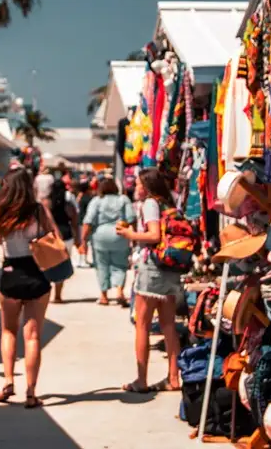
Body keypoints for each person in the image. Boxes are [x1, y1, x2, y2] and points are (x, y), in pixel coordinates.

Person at [0, 168, 56, 409]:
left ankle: (8, 380)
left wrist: (2, 234)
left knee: (8, 331)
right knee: (33, 336)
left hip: (10, 275)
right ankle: (32, 392)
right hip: (37, 274)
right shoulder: (38, 210)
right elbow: (53, 237)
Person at [116, 168, 182, 393]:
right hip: (171, 269)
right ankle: (173, 378)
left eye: (138, 184)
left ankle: (141, 380)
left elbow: (154, 236)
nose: (135, 187)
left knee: (142, 325)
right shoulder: (168, 204)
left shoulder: (150, 204)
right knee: (169, 325)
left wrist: (130, 235)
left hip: (153, 268)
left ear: (147, 186)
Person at [80, 176, 134, 306]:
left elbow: (88, 221)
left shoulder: (96, 201)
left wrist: (83, 241)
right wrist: (134, 238)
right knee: (120, 264)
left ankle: (104, 296)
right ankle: (120, 290)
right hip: (120, 235)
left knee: (101, 265)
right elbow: (131, 218)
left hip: (100, 237)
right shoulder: (124, 199)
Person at [46, 180, 78, 303]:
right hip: (66, 235)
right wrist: (78, 238)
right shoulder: (68, 204)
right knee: (61, 266)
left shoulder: (46, 203)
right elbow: (74, 220)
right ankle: (58, 295)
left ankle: (47, 294)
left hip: (50, 237)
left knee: (48, 265)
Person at [75, 180, 93, 268]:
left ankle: (82, 259)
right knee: (84, 241)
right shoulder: (88, 198)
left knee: (82, 240)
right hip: (85, 221)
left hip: (81, 221)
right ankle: (83, 259)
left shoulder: (80, 197)